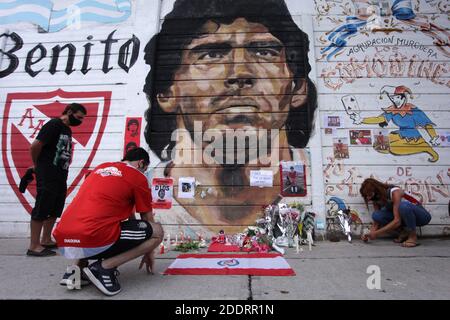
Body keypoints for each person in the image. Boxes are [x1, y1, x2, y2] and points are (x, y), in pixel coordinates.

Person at [143, 0, 318, 233]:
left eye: (264, 52)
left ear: (298, 89)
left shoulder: (316, 187)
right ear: (165, 92)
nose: (240, 73)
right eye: (211, 53)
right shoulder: (147, 198)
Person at [53, 147, 164, 296]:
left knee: (94, 221)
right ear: (141, 163)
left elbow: (110, 207)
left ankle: (75, 271)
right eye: (145, 169)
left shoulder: (100, 168)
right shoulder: (137, 177)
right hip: (92, 234)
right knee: (157, 231)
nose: (144, 173)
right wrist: (149, 251)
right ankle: (104, 268)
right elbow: (147, 219)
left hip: (64, 238)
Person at [27, 103, 86, 257]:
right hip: (48, 173)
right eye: (79, 117)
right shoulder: (53, 124)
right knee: (42, 207)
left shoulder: (66, 129)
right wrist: (37, 165)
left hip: (60, 174)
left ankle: (45, 239)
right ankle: (34, 246)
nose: (80, 121)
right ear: (70, 112)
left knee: (55, 207)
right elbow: (35, 146)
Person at [352, 85, 440, 162]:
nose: (395, 100)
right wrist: (361, 119)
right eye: (392, 98)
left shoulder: (412, 109)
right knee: (379, 144)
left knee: (395, 148)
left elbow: (426, 124)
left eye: (397, 97)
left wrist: (434, 136)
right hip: (399, 133)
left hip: (413, 136)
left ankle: (424, 147)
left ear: (403, 97)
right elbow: (379, 119)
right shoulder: (392, 110)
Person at [359, 178, 431, 247]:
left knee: (403, 206)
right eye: (366, 196)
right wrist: (369, 235)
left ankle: (412, 236)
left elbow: (397, 221)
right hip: (404, 217)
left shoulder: (395, 192)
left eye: (369, 194)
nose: (368, 198)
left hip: (422, 217)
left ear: (377, 190)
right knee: (376, 215)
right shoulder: (376, 199)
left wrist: (376, 233)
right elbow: (376, 223)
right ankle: (403, 232)